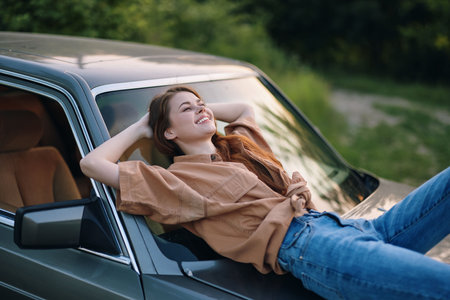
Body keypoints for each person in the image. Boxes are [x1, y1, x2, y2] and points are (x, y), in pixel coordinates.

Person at [80, 86, 450, 299]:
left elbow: (244, 107)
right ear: (169, 134)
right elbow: (93, 165)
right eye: (187, 110)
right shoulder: (176, 182)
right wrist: (145, 126)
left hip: (346, 227)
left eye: (201, 104)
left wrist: (192, 106)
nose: (201, 109)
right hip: (310, 250)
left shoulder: (238, 148)